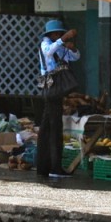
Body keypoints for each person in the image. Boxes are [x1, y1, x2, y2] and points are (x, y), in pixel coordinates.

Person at [37, 19, 80, 179]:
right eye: (56, 34)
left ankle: (45, 167)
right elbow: (48, 52)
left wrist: (71, 47)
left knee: (47, 127)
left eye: (60, 33)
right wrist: (63, 39)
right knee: (54, 128)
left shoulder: (59, 45)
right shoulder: (45, 44)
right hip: (51, 88)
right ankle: (54, 167)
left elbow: (75, 57)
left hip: (55, 90)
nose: (59, 36)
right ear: (50, 34)